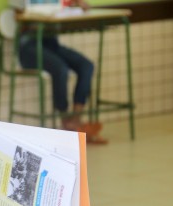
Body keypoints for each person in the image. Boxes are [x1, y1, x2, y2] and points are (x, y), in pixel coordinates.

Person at [17, 0, 107, 144]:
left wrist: (75, 5)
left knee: (86, 66)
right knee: (60, 69)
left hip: (51, 44)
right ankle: (66, 122)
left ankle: (76, 119)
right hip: (29, 46)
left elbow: (66, 6)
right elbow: (18, 15)